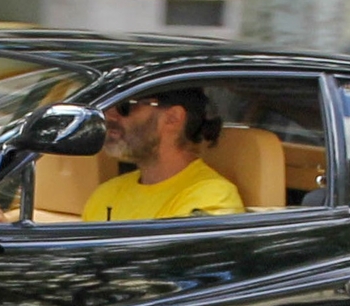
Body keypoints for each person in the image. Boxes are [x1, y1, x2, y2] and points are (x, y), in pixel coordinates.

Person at [77, 88, 243, 221]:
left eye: (125, 106)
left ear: (173, 118)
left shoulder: (212, 198)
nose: (109, 115)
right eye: (108, 106)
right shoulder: (106, 193)